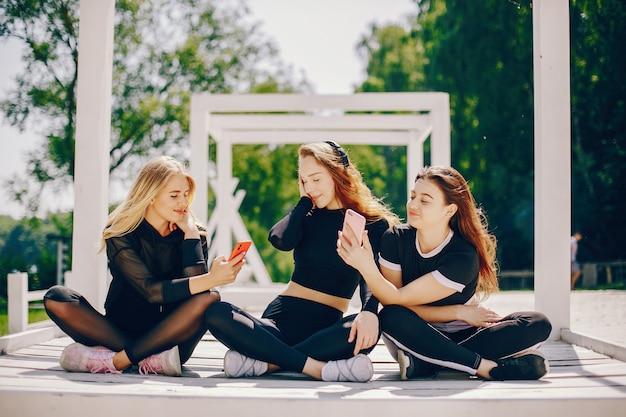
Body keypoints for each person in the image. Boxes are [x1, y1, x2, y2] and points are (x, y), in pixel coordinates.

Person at [204, 141, 400, 382]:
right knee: (216, 311)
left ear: (338, 174)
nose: (310, 186)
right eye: (304, 180)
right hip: (279, 320)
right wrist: (305, 202)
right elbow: (279, 239)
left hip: (325, 329)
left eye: (316, 179)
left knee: (367, 328)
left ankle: (268, 362)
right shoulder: (306, 216)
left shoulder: (372, 224)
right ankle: (316, 368)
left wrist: (369, 312)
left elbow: (372, 279)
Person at [337, 165, 552, 381]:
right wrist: (457, 311)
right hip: (414, 335)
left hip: (464, 335)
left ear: (449, 210)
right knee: (391, 316)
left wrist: (366, 266)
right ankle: (484, 367)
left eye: (425, 200)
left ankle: (427, 364)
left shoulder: (462, 256)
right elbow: (393, 302)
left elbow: (396, 296)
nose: (413, 204)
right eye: (413, 196)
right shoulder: (395, 238)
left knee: (537, 323)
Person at [43, 156, 246, 376]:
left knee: (210, 297)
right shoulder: (121, 232)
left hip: (171, 341)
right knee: (57, 298)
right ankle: (146, 359)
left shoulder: (193, 233)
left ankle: (119, 360)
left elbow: (198, 295)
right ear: (151, 196)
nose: (183, 202)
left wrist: (191, 235)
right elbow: (151, 291)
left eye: (185, 194)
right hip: (120, 331)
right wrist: (212, 278)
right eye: (174, 195)